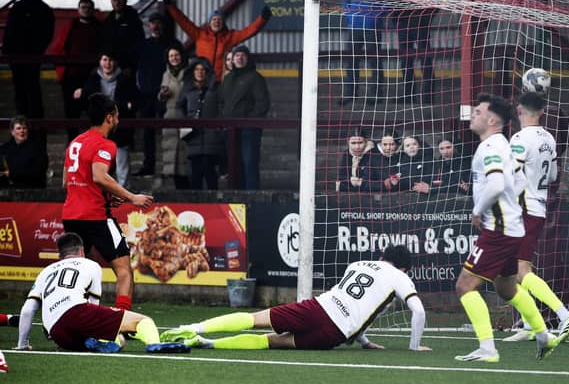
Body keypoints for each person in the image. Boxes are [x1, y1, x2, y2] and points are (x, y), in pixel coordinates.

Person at [455, 93, 569, 362]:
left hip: (499, 229)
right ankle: (544, 336)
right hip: (512, 226)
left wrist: (477, 210)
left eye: (479, 112)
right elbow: (515, 182)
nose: (474, 114)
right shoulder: (501, 144)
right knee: (506, 288)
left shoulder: (492, 147)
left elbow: (495, 185)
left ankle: (487, 349)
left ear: (493, 120)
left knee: (465, 286)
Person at [160, 245, 431, 352]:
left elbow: (354, 299)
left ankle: (195, 329)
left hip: (318, 307)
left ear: (382, 257)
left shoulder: (359, 263)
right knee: (272, 342)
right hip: (334, 333)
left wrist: (364, 340)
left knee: (255, 319)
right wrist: (414, 346)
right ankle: (209, 344)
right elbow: (416, 311)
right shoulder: (400, 278)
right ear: (404, 268)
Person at [13, 232, 189, 354]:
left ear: (61, 255)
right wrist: (95, 329)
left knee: (118, 340)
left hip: (57, 333)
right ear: (81, 250)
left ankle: (101, 342)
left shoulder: (46, 271)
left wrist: (22, 345)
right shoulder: (90, 265)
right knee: (144, 321)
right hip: (77, 313)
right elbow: (93, 302)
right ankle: (154, 344)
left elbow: (28, 309)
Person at [62, 93, 154, 311]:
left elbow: (67, 182)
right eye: (117, 116)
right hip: (96, 217)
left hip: (71, 216)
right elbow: (99, 175)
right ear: (109, 118)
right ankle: (121, 322)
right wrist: (131, 197)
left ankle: (70, 317)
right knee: (124, 270)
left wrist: (103, 194)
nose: (119, 120)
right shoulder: (106, 145)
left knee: (77, 273)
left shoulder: (75, 143)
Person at [503, 92, 569, 342]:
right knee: (516, 269)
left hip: (523, 208)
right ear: (543, 112)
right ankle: (527, 323)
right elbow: (554, 174)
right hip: (539, 206)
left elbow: (511, 175)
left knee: (522, 271)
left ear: (519, 111)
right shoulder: (549, 137)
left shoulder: (519, 138)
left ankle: (564, 314)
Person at [161, 0, 272, 83]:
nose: (216, 22)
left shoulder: (230, 37)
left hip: (221, 82)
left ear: (223, 22)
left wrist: (262, 19)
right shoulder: (199, 35)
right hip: (202, 80)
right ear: (210, 22)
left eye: (219, 19)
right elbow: (183, 21)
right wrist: (170, 5)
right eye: (214, 19)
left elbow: (249, 31)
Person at [74, 51, 138, 188]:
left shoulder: (124, 79)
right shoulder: (93, 80)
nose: (107, 63)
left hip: (119, 129)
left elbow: (132, 103)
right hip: (98, 129)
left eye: (110, 60)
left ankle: (124, 193)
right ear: (100, 62)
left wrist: (123, 107)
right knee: (98, 164)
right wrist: (80, 93)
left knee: (122, 162)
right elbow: (87, 103)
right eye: (104, 59)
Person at [341, 0, 390, 105]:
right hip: (354, 28)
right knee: (351, 61)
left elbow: (387, 2)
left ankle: (376, 95)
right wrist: (350, 17)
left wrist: (376, 17)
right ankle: (351, 94)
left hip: (373, 28)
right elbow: (345, 2)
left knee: (375, 61)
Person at [50, 0, 104, 143]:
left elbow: (104, 50)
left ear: (93, 10)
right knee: (71, 112)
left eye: (88, 7)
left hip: (92, 77)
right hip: (71, 76)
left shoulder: (99, 28)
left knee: (93, 111)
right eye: (83, 7)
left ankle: (94, 142)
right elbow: (58, 47)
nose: (86, 10)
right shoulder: (71, 26)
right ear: (78, 10)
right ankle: (72, 142)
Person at [1, 0, 55, 118]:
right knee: (20, 89)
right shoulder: (18, 8)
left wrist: (36, 51)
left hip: (31, 56)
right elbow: (9, 31)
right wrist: (8, 51)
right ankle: (22, 121)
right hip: (16, 56)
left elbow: (47, 33)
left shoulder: (43, 10)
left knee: (32, 88)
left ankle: (35, 122)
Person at [394, 0, 440, 104]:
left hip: (422, 24)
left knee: (425, 60)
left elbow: (437, 2)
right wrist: (397, 20)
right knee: (406, 60)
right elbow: (394, 1)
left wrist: (425, 19)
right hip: (404, 25)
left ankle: (427, 96)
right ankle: (408, 95)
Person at [219, 45, 270, 189]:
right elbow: (221, 102)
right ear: (232, 59)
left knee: (249, 163)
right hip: (230, 130)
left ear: (247, 59)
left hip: (249, 130)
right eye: (237, 55)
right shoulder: (228, 79)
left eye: (243, 55)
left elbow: (263, 103)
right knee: (234, 165)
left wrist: (249, 121)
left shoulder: (255, 77)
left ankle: (252, 197)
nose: (239, 58)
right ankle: (236, 196)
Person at [133, 12, 177, 177]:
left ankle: (170, 167)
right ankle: (148, 166)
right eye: (153, 23)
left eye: (159, 22)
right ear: (149, 25)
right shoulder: (141, 46)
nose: (156, 26)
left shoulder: (172, 45)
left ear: (163, 26)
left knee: (169, 132)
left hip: (166, 95)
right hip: (146, 95)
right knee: (148, 133)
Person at [176, 57, 225, 190]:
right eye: (197, 69)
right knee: (195, 174)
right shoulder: (186, 89)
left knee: (211, 174)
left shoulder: (216, 89)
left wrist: (218, 127)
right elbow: (179, 107)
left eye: (203, 69)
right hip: (193, 137)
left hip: (212, 138)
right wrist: (184, 121)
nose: (200, 72)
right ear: (192, 71)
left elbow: (223, 107)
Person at [159, 41, 189, 188]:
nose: (174, 58)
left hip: (185, 116)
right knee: (172, 155)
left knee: (185, 155)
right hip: (170, 116)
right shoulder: (166, 74)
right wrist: (163, 94)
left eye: (176, 55)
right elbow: (161, 94)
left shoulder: (189, 72)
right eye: (171, 55)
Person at [101, 0, 145, 80]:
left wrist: (130, 66)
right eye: (114, 0)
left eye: (119, 0)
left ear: (125, 1)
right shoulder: (108, 20)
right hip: (110, 67)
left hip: (127, 68)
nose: (117, 3)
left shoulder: (133, 20)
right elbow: (104, 44)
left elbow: (138, 44)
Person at [0, 115, 48, 188]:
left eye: (24, 128)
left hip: (32, 190)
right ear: (12, 132)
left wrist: (12, 174)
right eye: (18, 128)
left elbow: (39, 172)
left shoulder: (37, 148)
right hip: (9, 189)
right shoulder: (4, 149)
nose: (22, 131)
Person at [335, 126, 374, 192]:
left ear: (366, 141)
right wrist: (352, 181)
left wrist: (346, 183)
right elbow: (341, 176)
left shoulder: (373, 153)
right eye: (353, 143)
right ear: (348, 142)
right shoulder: (347, 153)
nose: (357, 147)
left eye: (360, 143)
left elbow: (369, 181)